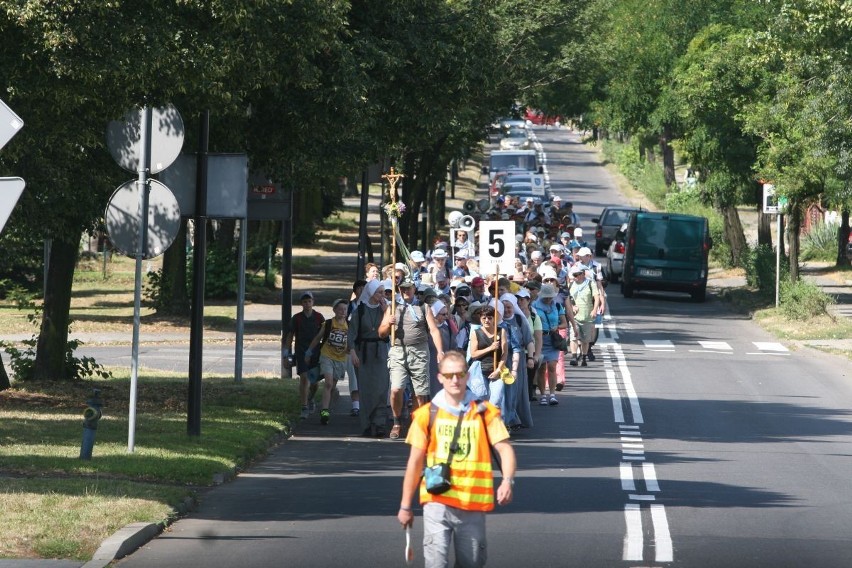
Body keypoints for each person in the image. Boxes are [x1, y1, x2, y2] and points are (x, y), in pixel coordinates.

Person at [397, 351, 517, 568]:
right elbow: (414, 463)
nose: (455, 379)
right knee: (436, 564)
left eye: (460, 374)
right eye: (449, 374)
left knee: (471, 563)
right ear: (440, 377)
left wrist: (507, 481)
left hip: (472, 504)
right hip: (437, 502)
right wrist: (405, 506)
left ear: (467, 376)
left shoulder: (484, 413)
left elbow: (505, 449)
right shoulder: (426, 414)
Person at [379, 278, 446, 440]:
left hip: (419, 351)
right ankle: (397, 422)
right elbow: (381, 333)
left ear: (414, 288)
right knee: (396, 388)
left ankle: (418, 424)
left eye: (408, 288)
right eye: (402, 289)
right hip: (398, 351)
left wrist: (440, 351)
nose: (405, 291)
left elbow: (434, 330)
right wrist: (388, 324)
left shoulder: (424, 307)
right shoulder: (392, 307)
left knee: (420, 393)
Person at [349, 280, 391, 437]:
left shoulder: (385, 309)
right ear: (371, 293)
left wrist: (386, 311)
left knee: (381, 387)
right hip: (363, 352)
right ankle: (366, 423)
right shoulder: (359, 311)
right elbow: (352, 334)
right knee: (366, 389)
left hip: (381, 351)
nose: (382, 295)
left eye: (383, 292)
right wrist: (352, 352)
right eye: (379, 292)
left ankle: (379, 423)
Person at [305, 299, 350, 425]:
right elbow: (318, 338)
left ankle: (327, 408)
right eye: (340, 309)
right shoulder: (329, 324)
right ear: (334, 310)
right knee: (328, 383)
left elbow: (352, 343)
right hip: (327, 356)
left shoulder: (349, 325)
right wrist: (308, 352)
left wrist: (353, 353)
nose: (342, 311)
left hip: (340, 359)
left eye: (345, 309)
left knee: (333, 386)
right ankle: (324, 411)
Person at [284, 292, 325, 421]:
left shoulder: (319, 317)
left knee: (315, 382)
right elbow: (290, 336)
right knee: (304, 378)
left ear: (313, 302)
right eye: (304, 302)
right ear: (301, 303)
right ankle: (304, 406)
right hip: (301, 351)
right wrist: (286, 354)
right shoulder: (296, 318)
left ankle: (310, 398)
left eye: (309, 301)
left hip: (316, 352)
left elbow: (324, 334)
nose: (307, 304)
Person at [531, 284, 568, 406]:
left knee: (552, 366)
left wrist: (557, 326)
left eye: (549, 297)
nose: (547, 299)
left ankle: (552, 394)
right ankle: (542, 395)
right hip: (539, 339)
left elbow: (564, 323)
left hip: (552, 340)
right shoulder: (534, 306)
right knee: (541, 369)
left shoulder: (557, 305)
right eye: (545, 297)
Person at [469, 305, 508, 410]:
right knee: (481, 403)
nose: (487, 320)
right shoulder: (476, 333)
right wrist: (490, 348)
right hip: (480, 373)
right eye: (484, 318)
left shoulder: (501, 331)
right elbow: (473, 354)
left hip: (496, 372)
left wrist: (499, 370)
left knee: (495, 403)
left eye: (489, 318)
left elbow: (504, 354)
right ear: (480, 319)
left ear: (494, 318)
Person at [567, 264, 601, 367]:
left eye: (578, 274)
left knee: (585, 340)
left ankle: (584, 357)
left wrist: (595, 309)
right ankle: (574, 357)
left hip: (587, 315)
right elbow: (567, 298)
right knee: (574, 336)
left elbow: (596, 297)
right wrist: (572, 306)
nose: (576, 276)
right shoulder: (571, 285)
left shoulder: (590, 284)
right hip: (574, 316)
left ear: (583, 274)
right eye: (574, 275)